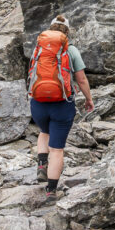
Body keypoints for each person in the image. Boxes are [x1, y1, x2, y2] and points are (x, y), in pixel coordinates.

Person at [27, 15, 94, 199]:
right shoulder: (71, 50)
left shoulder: (39, 49)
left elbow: (32, 74)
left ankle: (42, 164)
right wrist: (89, 99)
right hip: (62, 104)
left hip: (39, 102)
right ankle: (51, 192)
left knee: (44, 131)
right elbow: (81, 79)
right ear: (67, 32)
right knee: (56, 149)